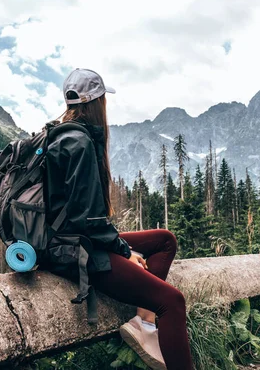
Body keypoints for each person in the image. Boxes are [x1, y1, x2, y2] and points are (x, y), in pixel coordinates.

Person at [43, 68, 194, 370]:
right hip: (74, 251)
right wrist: (126, 252)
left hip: (72, 241)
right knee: (172, 302)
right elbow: (88, 220)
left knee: (164, 241)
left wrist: (120, 247)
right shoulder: (80, 144)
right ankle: (150, 325)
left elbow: (82, 217)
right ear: (97, 103)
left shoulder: (64, 135)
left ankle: (144, 325)